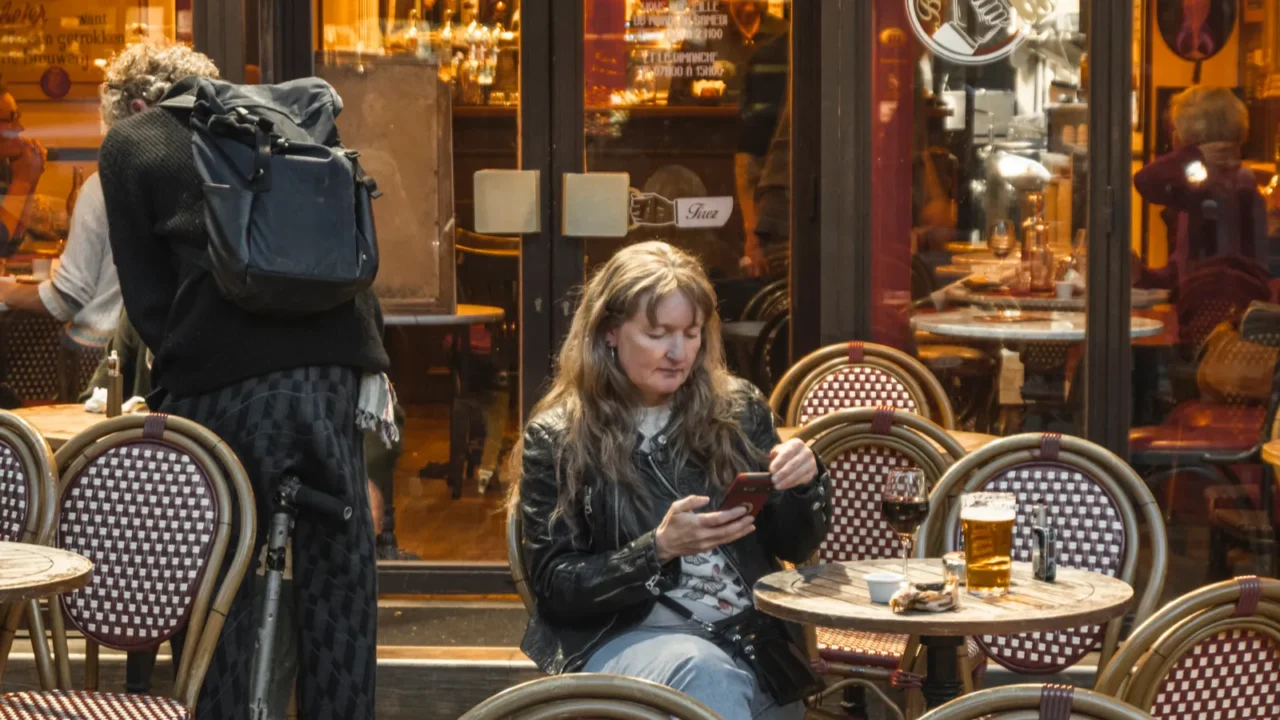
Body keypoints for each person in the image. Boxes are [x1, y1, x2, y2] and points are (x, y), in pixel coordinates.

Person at [99, 39, 390, 720]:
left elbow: (145, 306)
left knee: (220, 590)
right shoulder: (296, 121)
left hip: (222, 386)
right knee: (339, 589)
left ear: (137, 104)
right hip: (331, 375)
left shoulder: (132, 143)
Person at [514, 241, 832, 719]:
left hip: (748, 638)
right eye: (658, 333)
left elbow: (795, 542)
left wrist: (803, 484)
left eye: (691, 332)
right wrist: (657, 550)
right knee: (706, 675)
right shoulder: (560, 437)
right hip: (624, 635)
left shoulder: (737, 411)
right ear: (610, 332)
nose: (678, 352)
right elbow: (556, 589)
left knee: (727, 682)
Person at [1133, 86, 1268, 289]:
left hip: (1215, 317)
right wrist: (1143, 275)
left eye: (1176, 130)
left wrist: (1193, 154)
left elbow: (1145, 179)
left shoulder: (1225, 186)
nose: (1173, 138)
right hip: (1212, 313)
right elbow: (1182, 275)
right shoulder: (1212, 183)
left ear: (1190, 137)